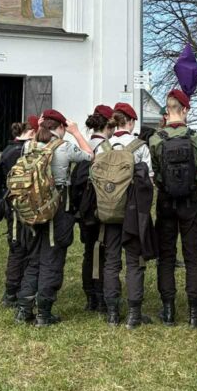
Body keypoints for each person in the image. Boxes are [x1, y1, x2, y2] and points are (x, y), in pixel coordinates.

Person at [15, 109, 94, 327]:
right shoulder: (64, 147)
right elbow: (90, 156)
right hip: (57, 209)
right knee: (52, 258)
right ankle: (44, 312)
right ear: (60, 127)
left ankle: (24, 308)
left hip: (30, 209)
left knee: (33, 257)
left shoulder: (28, 145)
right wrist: (76, 133)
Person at [150, 89, 197, 328]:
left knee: (166, 256)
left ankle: (168, 311)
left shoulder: (155, 139)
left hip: (165, 201)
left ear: (167, 109)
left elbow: (155, 173)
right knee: (193, 257)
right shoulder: (196, 138)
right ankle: (195, 314)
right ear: (185, 109)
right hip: (190, 202)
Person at [101, 102, 154, 328]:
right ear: (131, 122)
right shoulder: (140, 147)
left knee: (111, 261)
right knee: (134, 261)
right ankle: (134, 314)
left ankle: (112, 313)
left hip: (107, 210)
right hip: (132, 211)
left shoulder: (103, 147)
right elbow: (149, 180)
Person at [76, 105, 115, 313]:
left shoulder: (84, 145)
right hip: (99, 206)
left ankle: (90, 296)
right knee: (102, 253)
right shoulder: (106, 148)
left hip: (83, 207)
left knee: (88, 252)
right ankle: (100, 298)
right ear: (108, 124)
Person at [1, 116, 38, 308]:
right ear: (32, 132)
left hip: (15, 205)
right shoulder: (19, 152)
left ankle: (17, 288)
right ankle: (12, 292)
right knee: (19, 248)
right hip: (18, 206)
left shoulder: (10, 148)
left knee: (20, 247)